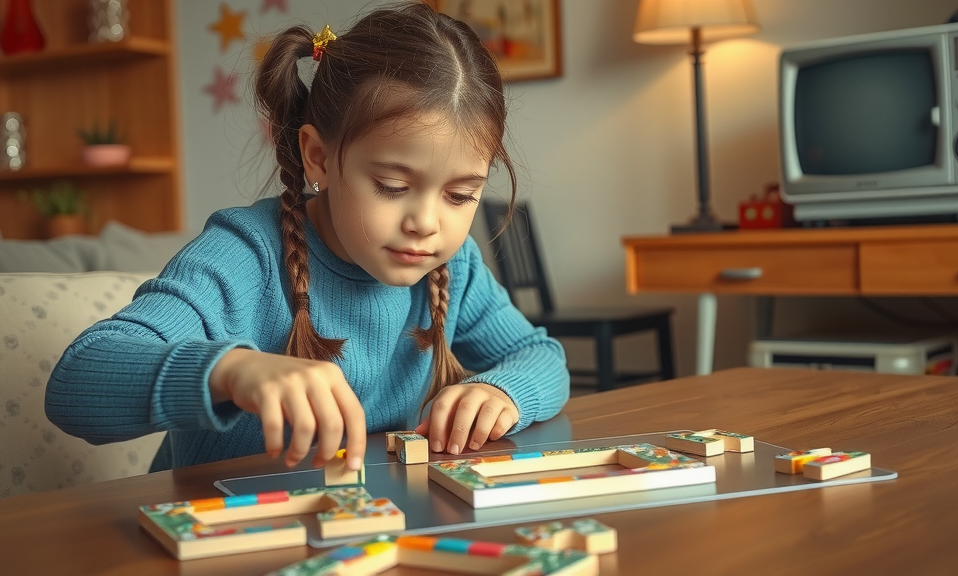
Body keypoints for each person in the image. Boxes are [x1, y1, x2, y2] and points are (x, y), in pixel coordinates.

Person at [44, 2, 569, 475]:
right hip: (218, 536)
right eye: (392, 186)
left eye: (460, 196)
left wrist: (502, 391)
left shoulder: (455, 266)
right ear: (318, 157)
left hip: (364, 527)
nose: (426, 223)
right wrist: (232, 370)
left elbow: (541, 356)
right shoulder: (244, 255)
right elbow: (75, 383)